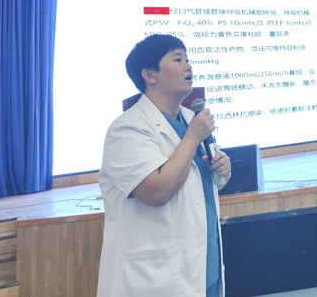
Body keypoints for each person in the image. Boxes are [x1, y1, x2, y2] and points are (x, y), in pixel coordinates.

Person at [97, 34, 231, 297]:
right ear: (149, 75)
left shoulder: (190, 118)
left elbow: (199, 189)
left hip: (204, 268)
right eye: (178, 59)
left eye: (188, 59)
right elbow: (156, 191)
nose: (188, 66)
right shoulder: (127, 128)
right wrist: (192, 137)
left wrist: (220, 170)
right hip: (156, 279)